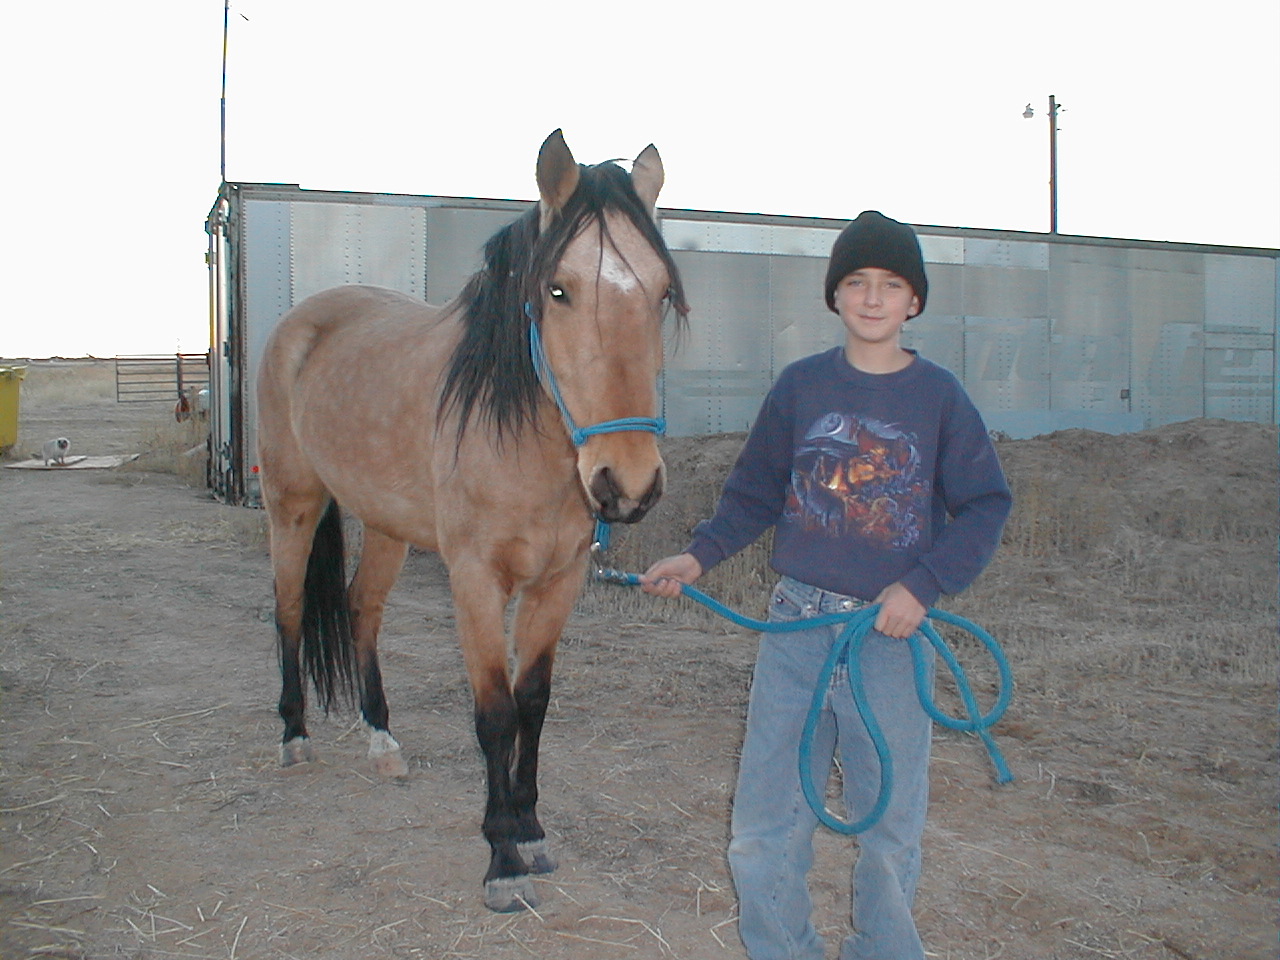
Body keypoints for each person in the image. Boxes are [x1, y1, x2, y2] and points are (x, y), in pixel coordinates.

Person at [640, 210, 1012, 960]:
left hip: (890, 641)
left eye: (891, 284)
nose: (872, 297)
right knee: (762, 829)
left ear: (915, 301)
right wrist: (700, 556)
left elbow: (985, 505)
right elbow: (754, 492)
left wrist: (923, 585)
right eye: (855, 282)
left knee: (889, 832)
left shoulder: (938, 398)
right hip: (797, 631)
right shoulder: (802, 386)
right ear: (835, 295)